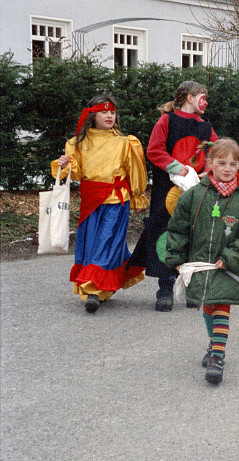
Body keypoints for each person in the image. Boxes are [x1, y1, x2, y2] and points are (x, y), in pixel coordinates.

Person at [164, 138, 239, 384]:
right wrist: (177, 258)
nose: (227, 168)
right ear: (209, 163)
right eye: (222, 163)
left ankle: (218, 356)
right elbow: (178, 228)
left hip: (228, 266)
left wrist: (231, 258)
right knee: (207, 305)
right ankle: (213, 343)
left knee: (221, 306)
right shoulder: (195, 195)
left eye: (233, 164)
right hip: (200, 263)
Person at [52, 94, 148, 313]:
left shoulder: (125, 142)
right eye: (104, 112)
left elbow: (135, 172)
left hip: (116, 199)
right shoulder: (77, 143)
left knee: (107, 241)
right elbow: (75, 173)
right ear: (92, 115)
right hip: (90, 201)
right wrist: (64, 164)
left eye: (112, 112)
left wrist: (137, 196)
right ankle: (101, 288)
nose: (109, 116)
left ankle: (93, 290)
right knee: (92, 243)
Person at [130, 80, 218, 312]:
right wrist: (175, 166)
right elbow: (154, 149)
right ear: (189, 97)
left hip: (196, 190)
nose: (205, 101)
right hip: (166, 191)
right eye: (202, 95)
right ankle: (165, 287)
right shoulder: (167, 120)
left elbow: (215, 153)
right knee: (165, 234)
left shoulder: (206, 127)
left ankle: (191, 285)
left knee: (194, 234)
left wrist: (206, 172)